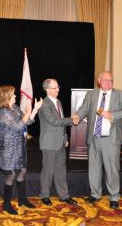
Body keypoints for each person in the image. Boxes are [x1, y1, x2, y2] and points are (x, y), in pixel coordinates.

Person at [74, 71, 122, 209]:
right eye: (106, 80)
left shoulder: (121, 94)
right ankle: (95, 194)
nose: (109, 83)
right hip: (93, 137)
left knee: (112, 169)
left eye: (111, 80)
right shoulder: (91, 94)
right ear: (99, 80)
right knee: (94, 168)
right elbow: (83, 109)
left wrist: (112, 114)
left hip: (111, 139)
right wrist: (76, 117)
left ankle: (114, 197)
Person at [0, 85, 43, 214]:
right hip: (8, 150)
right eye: (13, 94)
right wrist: (27, 112)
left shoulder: (14, 108)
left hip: (20, 146)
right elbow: (18, 126)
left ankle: (22, 199)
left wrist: (34, 110)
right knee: (12, 174)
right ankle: (6, 204)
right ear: (6, 97)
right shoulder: (3, 113)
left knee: (23, 170)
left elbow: (28, 122)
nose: (15, 96)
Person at [38, 78, 78, 206]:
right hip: (49, 143)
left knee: (61, 170)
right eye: (55, 88)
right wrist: (71, 120)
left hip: (60, 142)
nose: (58, 89)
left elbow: (61, 123)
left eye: (58, 87)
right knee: (48, 170)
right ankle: (44, 195)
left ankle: (64, 195)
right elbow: (54, 121)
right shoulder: (44, 104)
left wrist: (65, 137)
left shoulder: (58, 102)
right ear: (48, 89)